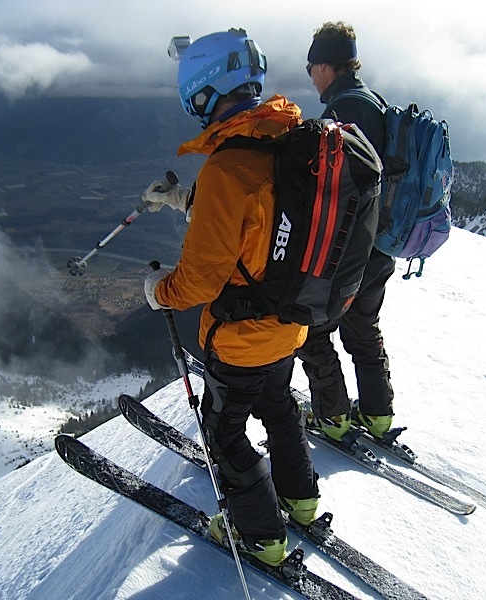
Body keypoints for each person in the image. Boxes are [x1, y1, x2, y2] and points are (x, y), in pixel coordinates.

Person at [142, 28, 319, 567]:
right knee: (279, 406)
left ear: (204, 92)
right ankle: (301, 500)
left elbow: (199, 279)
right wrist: (182, 199)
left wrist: (158, 293)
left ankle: (261, 538)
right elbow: (258, 223)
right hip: (291, 322)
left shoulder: (226, 168)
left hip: (241, 338)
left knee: (224, 433)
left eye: (192, 99)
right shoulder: (287, 139)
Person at [298, 21, 396, 442]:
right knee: (363, 328)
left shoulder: (342, 112)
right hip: (383, 246)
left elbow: (332, 190)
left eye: (311, 67)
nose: (311, 76)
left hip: (352, 252)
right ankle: (377, 415)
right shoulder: (372, 100)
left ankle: (334, 417)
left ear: (325, 65)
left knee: (313, 329)